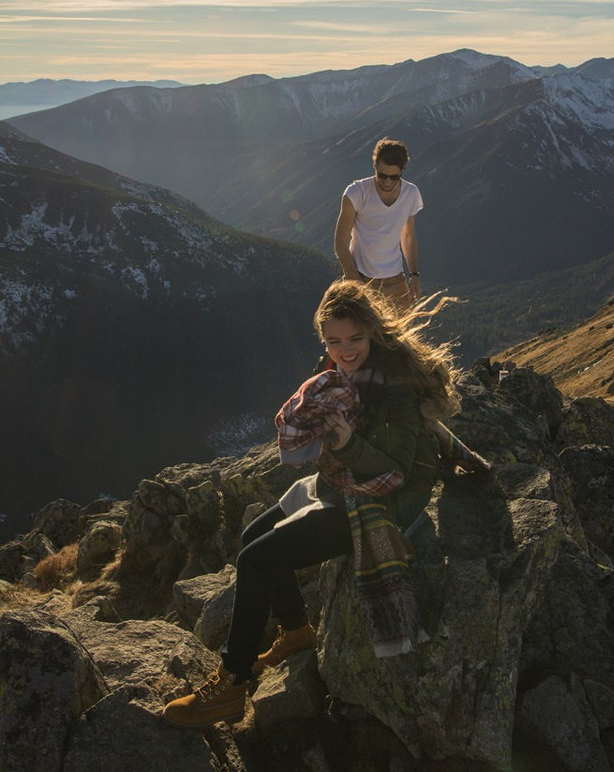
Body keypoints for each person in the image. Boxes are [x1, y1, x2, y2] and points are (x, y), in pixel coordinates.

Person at [163, 281, 491, 729]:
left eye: (354, 339)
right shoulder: (345, 369)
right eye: (333, 342)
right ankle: (297, 631)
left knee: (255, 561)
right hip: (343, 480)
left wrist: (345, 441)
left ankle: (232, 684)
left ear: (373, 331)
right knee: (251, 536)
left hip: (383, 500)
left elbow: (392, 471)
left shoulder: (396, 384)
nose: (344, 350)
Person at [334, 139, 423, 309]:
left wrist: (414, 275)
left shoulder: (411, 193)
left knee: (400, 335)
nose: (387, 181)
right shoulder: (356, 193)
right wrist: (355, 282)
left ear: (402, 172)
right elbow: (340, 242)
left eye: (394, 177)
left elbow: (408, 235)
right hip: (360, 278)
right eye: (382, 175)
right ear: (374, 166)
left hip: (396, 279)